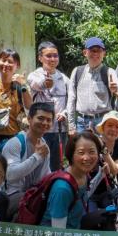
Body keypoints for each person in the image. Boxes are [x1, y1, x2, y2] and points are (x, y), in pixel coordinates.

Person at [41, 132, 103, 229]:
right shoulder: (62, 189)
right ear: (71, 155)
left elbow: (83, 195)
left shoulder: (83, 175)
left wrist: (101, 175)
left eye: (92, 152)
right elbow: (58, 234)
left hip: (76, 228)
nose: (86, 158)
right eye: (81, 152)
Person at [2, 102, 53, 219]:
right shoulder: (15, 143)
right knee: (35, 202)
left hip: (32, 195)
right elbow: (10, 175)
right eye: (40, 118)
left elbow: (46, 175)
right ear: (29, 119)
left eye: (49, 120)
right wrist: (37, 156)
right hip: (11, 196)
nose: (45, 123)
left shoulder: (45, 146)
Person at [27, 42, 71, 170]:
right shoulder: (33, 76)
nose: (52, 59)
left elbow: (71, 102)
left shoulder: (64, 78)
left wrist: (65, 113)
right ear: (40, 58)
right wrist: (46, 83)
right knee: (39, 163)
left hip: (59, 129)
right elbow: (37, 84)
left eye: (55, 56)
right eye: (48, 56)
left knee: (57, 164)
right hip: (40, 130)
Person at [0, 49, 32, 153]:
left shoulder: (20, 86)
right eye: (3, 60)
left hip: (15, 139)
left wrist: (23, 85)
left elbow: (30, 106)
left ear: (17, 66)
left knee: (13, 169)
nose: (6, 64)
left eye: (10, 62)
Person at [67, 37, 118, 134]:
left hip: (103, 122)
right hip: (81, 122)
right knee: (82, 149)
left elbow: (116, 87)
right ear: (85, 52)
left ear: (104, 54)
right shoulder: (77, 71)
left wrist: (115, 89)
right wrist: (71, 125)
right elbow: (71, 99)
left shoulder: (109, 72)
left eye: (98, 51)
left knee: (103, 149)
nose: (95, 54)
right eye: (92, 50)